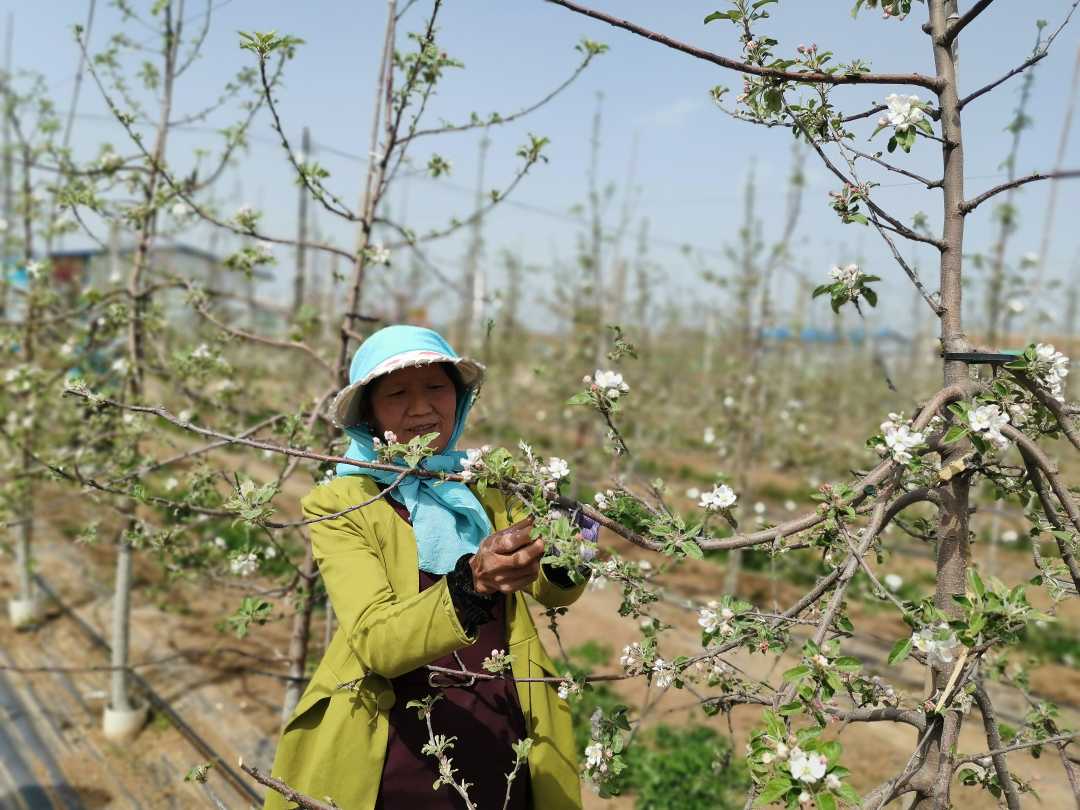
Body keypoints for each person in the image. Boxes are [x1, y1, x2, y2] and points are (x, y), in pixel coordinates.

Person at [264, 325, 589, 810]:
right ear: (369, 417)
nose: (421, 408)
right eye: (397, 394)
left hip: (503, 730)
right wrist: (473, 584)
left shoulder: (486, 483)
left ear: (458, 400)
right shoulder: (343, 504)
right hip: (397, 746)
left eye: (436, 388)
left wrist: (565, 550)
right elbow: (377, 643)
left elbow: (548, 588)